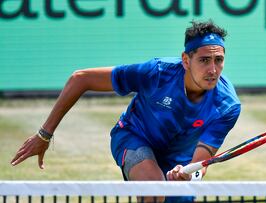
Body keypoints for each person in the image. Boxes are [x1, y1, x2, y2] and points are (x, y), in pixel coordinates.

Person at [11, 20, 241, 203]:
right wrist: (44, 135)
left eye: (218, 60)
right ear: (186, 60)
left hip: (179, 157)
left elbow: (202, 160)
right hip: (134, 137)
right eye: (204, 60)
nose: (213, 69)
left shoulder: (227, 105)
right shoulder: (157, 73)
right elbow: (80, 79)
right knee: (153, 190)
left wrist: (190, 173)